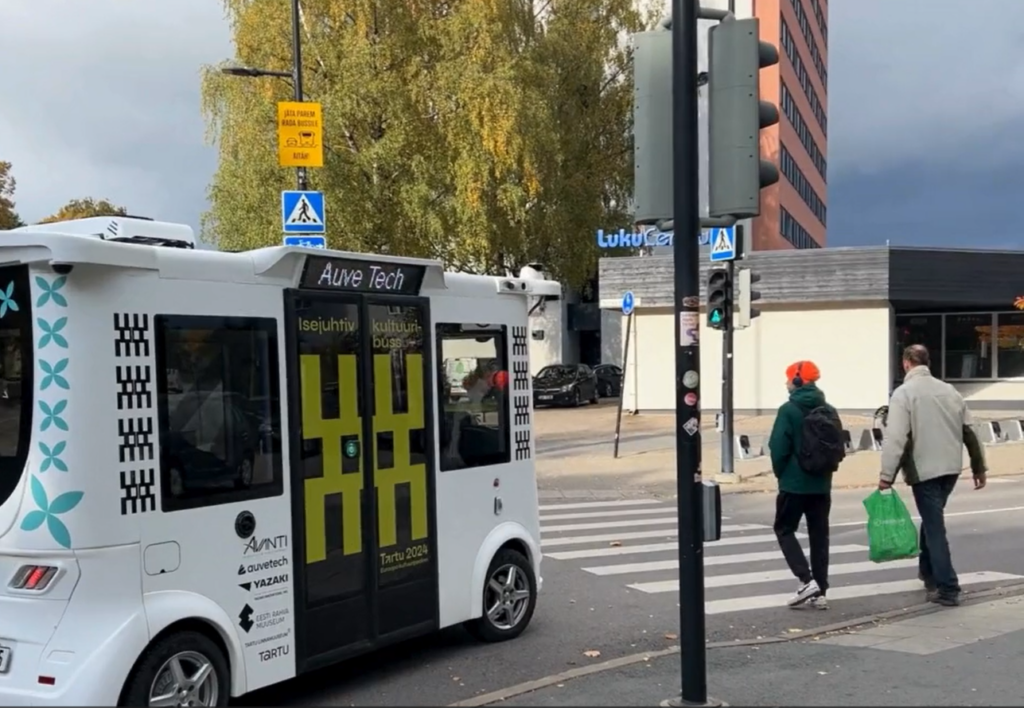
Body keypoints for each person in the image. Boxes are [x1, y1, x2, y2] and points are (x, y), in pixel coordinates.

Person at [880, 344, 987, 607]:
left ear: (906, 363)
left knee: (935, 526)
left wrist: (886, 475)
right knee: (932, 519)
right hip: (950, 468)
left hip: (923, 469)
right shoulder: (949, 390)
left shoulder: (903, 394)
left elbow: (896, 438)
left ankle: (948, 587)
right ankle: (927, 572)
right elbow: (970, 432)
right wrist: (978, 467)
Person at [768, 360, 846, 610]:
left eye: (789, 378)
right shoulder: (830, 410)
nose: (786, 382)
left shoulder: (788, 410)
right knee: (819, 536)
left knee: (784, 529)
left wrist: (782, 474)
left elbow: (778, 447)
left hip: (794, 483)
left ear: (799, 380)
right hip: (822, 484)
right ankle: (820, 591)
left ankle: (806, 580)